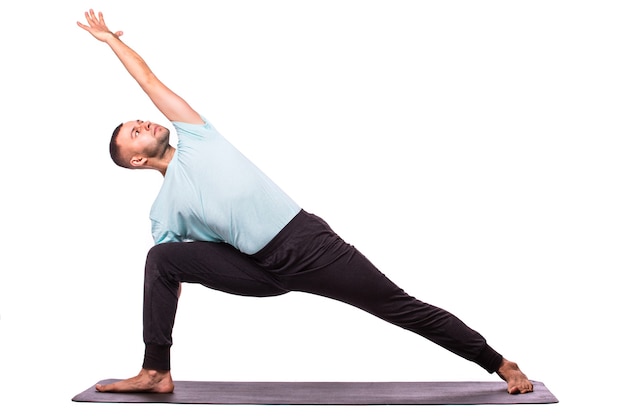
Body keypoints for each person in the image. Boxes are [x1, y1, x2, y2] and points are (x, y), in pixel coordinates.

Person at [77, 9, 533, 395]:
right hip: (255, 268)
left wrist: (111, 43)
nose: (145, 123)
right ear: (136, 161)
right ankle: (156, 370)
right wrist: (164, 316)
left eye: (140, 120)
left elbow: (148, 79)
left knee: (398, 306)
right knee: (160, 256)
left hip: (308, 246)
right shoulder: (163, 210)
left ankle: (498, 361)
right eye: (135, 132)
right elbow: (169, 277)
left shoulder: (197, 137)